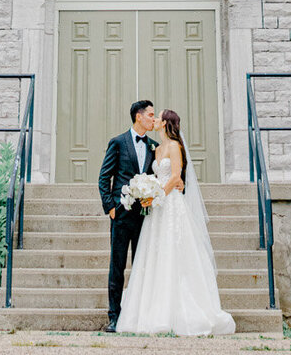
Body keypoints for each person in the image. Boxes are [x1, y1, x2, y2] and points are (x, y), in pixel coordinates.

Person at [115, 106, 235, 336]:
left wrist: (155, 194)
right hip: (156, 210)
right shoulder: (156, 148)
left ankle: (179, 312)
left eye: (159, 117)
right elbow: (154, 176)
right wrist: (147, 191)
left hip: (170, 206)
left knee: (174, 253)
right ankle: (151, 311)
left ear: (166, 123)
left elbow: (176, 177)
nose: (156, 119)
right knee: (154, 255)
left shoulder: (174, 147)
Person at [98, 98, 157, 332]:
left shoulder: (154, 146)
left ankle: (140, 315)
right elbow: (104, 176)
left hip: (146, 216)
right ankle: (114, 316)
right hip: (121, 215)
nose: (153, 119)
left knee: (143, 266)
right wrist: (110, 206)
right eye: (150, 115)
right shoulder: (118, 142)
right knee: (117, 266)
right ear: (138, 117)